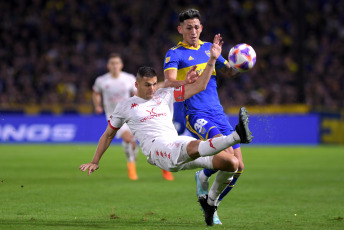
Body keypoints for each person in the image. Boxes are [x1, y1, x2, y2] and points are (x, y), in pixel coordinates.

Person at [79, 34, 253, 226]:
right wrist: (95, 161)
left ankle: (211, 204)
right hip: (157, 149)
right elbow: (108, 134)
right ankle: (237, 136)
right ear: (136, 85)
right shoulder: (125, 106)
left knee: (231, 163)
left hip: (176, 143)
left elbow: (201, 85)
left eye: (154, 84)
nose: (152, 89)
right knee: (195, 145)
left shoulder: (164, 95)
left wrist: (211, 60)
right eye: (147, 85)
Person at [163, 9, 246, 224]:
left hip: (218, 112)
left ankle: (210, 199)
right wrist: (186, 81)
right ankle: (211, 205)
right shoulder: (175, 53)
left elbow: (229, 72)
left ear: (202, 28)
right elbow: (169, 83)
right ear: (180, 29)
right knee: (229, 157)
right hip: (196, 113)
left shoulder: (211, 49)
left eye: (196, 27)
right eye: (188, 27)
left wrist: (240, 63)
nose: (193, 31)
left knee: (239, 167)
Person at [92, 53, 174, 181]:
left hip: (135, 113)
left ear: (121, 65)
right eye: (112, 63)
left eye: (117, 63)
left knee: (153, 140)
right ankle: (131, 167)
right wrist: (97, 105)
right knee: (129, 139)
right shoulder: (101, 80)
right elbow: (96, 93)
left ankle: (164, 168)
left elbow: (138, 93)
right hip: (115, 115)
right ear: (108, 66)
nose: (115, 66)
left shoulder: (128, 79)